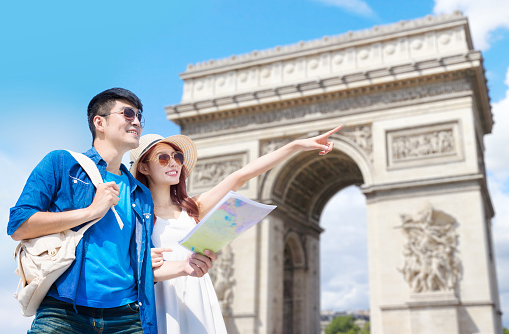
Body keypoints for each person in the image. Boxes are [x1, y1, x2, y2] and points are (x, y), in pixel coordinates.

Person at [8, 87, 214, 334]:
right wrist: (90, 211)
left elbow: (138, 266)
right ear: (99, 122)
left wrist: (185, 267)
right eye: (128, 114)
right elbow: (19, 225)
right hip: (62, 313)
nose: (136, 121)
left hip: (126, 319)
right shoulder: (62, 164)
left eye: (139, 116)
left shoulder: (141, 194)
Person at [129, 125, 341, 334]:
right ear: (144, 167)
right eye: (163, 158)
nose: (173, 162)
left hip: (198, 296)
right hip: (161, 300)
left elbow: (241, 175)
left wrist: (295, 146)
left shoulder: (194, 208)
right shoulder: (135, 215)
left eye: (177, 157)